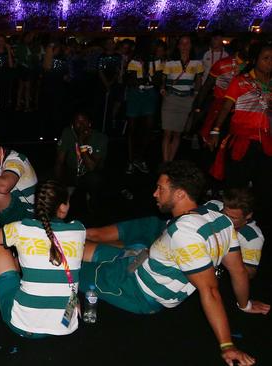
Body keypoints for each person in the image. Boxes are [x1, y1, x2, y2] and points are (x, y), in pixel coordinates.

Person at [80, 161, 269, 366]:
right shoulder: (220, 219)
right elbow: (238, 271)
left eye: (160, 188)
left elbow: (210, 291)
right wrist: (245, 304)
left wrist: (227, 346)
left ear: (179, 194)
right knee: (83, 247)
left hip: (133, 290)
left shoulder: (184, 234)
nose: (154, 193)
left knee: (69, 267)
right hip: (137, 261)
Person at [0, 181, 85, 337]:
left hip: (23, 325)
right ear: (63, 207)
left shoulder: (22, 227)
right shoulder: (79, 230)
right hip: (64, 326)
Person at [207, 43, 272, 215]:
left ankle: (256, 223)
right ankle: (232, 221)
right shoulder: (241, 80)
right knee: (237, 187)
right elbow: (226, 107)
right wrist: (215, 130)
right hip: (242, 142)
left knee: (264, 187)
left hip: (266, 142)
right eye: (266, 58)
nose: (270, 62)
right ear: (255, 60)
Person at [194, 39, 248, 145]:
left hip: (243, 110)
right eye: (248, 46)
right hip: (220, 107)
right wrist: (198, 106)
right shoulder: (222, 63)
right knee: (213, 140)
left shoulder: (255, 68)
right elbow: (206, 86)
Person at [203, 188, 264, 279]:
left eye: (233, 217)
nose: (226, 219)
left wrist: (226, 250)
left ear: (248, 215)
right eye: (224, 213)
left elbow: (250, 273)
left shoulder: (252, 237)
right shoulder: (212, 206)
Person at [160, 36, 204, 162]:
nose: (184, 46)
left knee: (178, 133)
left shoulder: (197, 63)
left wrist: (195, 93)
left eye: (187, 43)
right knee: (167, 133)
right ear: (178, 46)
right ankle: (165, 162)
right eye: (182, 43)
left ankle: (170, 161)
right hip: (171, 98)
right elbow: (164, 78)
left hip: (186, 100)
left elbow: (199, 79)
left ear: (191, 45)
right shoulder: (170, 62)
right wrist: (162, 90)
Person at [55, 113, 108, 209]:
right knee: (49, 180)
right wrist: (58, 184)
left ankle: (92, 202)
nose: (82, 125)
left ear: (89, 123)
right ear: (73, 125)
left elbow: (91, 167)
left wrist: (81, 142)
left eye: (84, 121)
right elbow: (60, 161)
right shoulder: (68, 133)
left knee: (94, 179)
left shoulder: (100, 138)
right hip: (72, 171)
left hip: (89, 174)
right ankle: (68, 192)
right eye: (78, 122)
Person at [124, 41, 159, 174]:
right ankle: (131, 159)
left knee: (148, 127)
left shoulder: (155, 61)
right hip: (135, 94)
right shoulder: (133, 61)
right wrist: (146, 79)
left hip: (149, 94)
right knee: (132, 128)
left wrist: (147, 80)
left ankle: (140, 158)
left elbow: (158, 79)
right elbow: (130, 81)